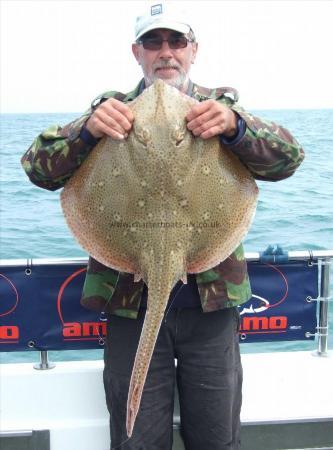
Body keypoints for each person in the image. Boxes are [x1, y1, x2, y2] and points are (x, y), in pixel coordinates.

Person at [21, 3, 304, 449]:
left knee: (216, 438)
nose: (166, 52)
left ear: (194, 50)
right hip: (130, 304)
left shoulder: (222, 108)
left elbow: (289, 158)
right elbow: (38, 169)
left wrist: (236, 127)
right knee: (136, 441)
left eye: (177, 41)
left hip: (210, 308)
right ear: (137, 52)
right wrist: (87, 132)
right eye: (154, 42)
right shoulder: (109, 111)